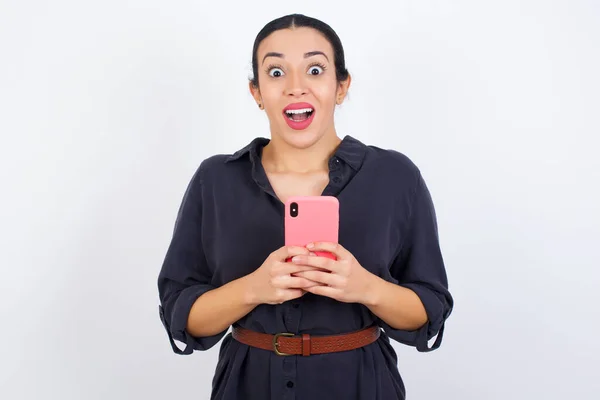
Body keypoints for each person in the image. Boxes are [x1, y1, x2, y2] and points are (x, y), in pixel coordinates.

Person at [157, 13, 453, 400]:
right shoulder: (215, 180)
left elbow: (430, 309)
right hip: (247, 386)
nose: (296, 88)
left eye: (315, 69)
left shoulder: (395, 177)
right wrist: (253, 289)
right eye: (276, 72)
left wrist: (364, 287)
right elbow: (180, 312)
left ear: (341, 86)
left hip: (361, 386)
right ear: (257, 92)